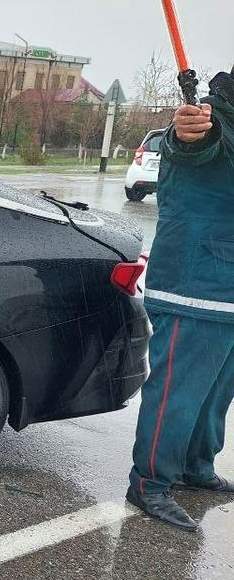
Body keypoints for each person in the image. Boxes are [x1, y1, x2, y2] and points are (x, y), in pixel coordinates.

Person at [127, 71, 234, 530]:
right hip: (196, 285)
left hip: (227, 290)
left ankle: (197, 466)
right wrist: (182, 132)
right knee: (180, 392)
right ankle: (150, 483)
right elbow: (191, 142)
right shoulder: (213, 117)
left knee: (216, 393)